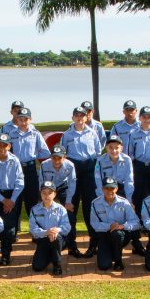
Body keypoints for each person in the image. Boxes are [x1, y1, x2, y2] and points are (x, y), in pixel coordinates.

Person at [60, 106, 103, 257]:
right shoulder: (66, 135)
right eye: (76, 115)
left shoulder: (92, 133)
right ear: (72, 117)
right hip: (73, 170)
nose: (79, 118)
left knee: (89, 207)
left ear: (86, 117)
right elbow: (62, 155)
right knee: (71, 206)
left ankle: (94, 243)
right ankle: (71, 245)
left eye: (82, 115)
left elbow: (98, 153)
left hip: (89, 171)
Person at [2, 107, 50, 226]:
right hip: (15, 170)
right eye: (20, 119)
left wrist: (32, 155)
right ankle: (13, 231)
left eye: (26, 119)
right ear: (17, 120)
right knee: (16, 200)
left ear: (30, 119)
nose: (23, 121)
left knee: (32, 200)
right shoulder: (11, 135)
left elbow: (46, 152)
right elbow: (6, 152)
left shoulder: (35, 134)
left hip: (30, 169)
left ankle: (36, 230)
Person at [0, 133, 24, 266]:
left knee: (9, 228)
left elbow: (20, 182)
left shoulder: (15, 160)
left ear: (9, 146)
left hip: (13, 195)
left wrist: (11, 200)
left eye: (5, 145)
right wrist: (3, 200)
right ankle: (1, 254)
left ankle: (6, 252)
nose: (2, 148)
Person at [90, 177, 141, 271]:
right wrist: (109, 226)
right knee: (103, 266)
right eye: (107, 188)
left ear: (116, 189)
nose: (110, 191)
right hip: (104, 235)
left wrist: (122, 226)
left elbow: (136, 222)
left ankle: (118, 261)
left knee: (116, 234)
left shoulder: (124, 203)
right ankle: (112, 253)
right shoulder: (95, 203)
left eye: (112, 188)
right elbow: (94, 224)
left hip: (120, 235)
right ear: (102, 189)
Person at [38, 145, 80, 252]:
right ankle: (44, 241)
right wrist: (45, 198)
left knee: (69, 214)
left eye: (59, 158)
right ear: (50, 157)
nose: (56, 161)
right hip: (48, 189)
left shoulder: (70, 165)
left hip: (63, 187)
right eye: (54, 158)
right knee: (42, 211)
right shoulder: (44, 165)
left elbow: (72, 183)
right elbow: (41, 183)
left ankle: (71, 245)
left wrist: (69, 201)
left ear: (64, 157)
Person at [29, 181, 71, 275]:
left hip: (58, 239)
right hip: (43, 239)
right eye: (44, 193)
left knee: (56, 238)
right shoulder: (34, 210)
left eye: (50, 193)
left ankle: (57, 264)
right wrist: (47, 232)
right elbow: (33, 229)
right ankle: (50, 255)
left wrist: (56, 230)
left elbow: (67, 227)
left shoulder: (61, 209)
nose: (46, 195)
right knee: (37, 267)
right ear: (40, 193)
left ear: (55, 194)